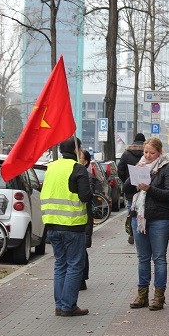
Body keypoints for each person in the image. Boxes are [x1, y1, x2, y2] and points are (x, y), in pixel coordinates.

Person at [123, 137, 169, 311]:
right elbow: (127, 190)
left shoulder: (167, 168)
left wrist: (149, 188)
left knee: (159, 258)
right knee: (143, 258)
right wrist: (134, 175)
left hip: (160, 219)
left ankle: (159, 296)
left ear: (159, 153)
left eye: (152, 153)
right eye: (146, 152)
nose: (147, 155)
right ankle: (142, 295)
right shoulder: (140, 165)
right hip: (139, 218)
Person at [40, 136, 93, 317]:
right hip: (72, 224)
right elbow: (85, 196)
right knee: (74, 266)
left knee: (60, 264)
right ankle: (68, 306)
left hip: (52, 224)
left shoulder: (51, 167)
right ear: (77, 151)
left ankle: (59, 305)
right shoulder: (78, 168)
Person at [118, 133, 146, 244]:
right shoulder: (148, 152)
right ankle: (142, 233)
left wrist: (126, 180)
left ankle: (133, 234)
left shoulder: (126, 154)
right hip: (145, 187)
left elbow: (120, 170)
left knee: (132, 211)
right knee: (143, 210)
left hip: (130, 188)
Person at [78, 149, 95, 291]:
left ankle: (82, 278)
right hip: (77, 218)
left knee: (81, 249)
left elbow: (87, 197)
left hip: (84, 218)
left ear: (85, 162)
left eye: (80, 157)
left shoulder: (87, 177)